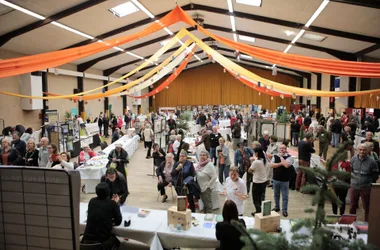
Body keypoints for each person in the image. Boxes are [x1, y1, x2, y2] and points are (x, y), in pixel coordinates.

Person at [82, 182, 122, 249]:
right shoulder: (112, 204)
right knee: (117, 242)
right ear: (108, 192)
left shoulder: (92, 201)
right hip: (102, 243)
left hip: (86, 241)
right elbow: (118, 221)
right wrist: (116, 204)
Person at [349, 143, 379, 222]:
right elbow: (351, 171)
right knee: (352, 206)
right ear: (357, 150)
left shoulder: (372, 162)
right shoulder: (353, 159)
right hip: (354, 186)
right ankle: (352, 223)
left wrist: (369, 184)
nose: (362, 152)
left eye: (364, 150)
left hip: (366, 188)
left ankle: (367, 224)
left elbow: (375, 175)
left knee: (367, 207)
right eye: (360, 150)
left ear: (367, 151)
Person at [270, 144, 294, 217]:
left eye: (283, 148)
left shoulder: (290, 158)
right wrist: (281, 163)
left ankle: (284, 210)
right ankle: (277, 207)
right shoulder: (275, 156)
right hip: (275, 179)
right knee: (276, 195)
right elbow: (271, 165)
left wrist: (281, 157)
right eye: (280, 148)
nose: (281, 150)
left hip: (285, 180)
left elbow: (286, 165)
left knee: (285, 196)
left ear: (286, 149)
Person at [248, 147, 267, 215]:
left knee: (255, 199)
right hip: (264, 181)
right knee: (260, 197)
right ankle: (259, 210)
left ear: (257, 153)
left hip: (257, 182)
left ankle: (258, 212)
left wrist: (251, 162)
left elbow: (249, 170)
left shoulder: (256, 162)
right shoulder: (264, 160)